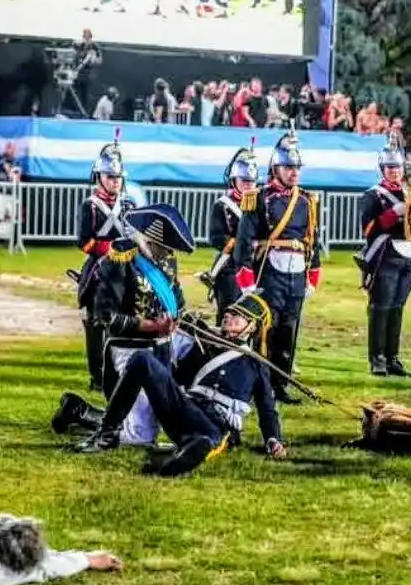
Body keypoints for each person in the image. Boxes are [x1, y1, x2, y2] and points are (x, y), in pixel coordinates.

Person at [63, 292, 288, 476]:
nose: (228, 319)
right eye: (228, 315)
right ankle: (107, 433)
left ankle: (176, 460)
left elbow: (268, 409)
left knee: (205, 438)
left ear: (252, 328)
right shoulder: (203, 344)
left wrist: (273, 440)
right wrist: (164, 336)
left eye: (237, 318)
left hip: (215, 423)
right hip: (183, 407)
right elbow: (171, 374)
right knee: (143, 360)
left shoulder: (257, 365)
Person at [91, 202, 194, 447]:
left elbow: (177, 298)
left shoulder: (168, 260)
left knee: (200, 353)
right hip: (130, 347)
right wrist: (150, 326)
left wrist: (180, 318)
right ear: (148, 239)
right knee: (140, 437)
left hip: (164, 344)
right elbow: (105, 317)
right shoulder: (121, 258)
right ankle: (84, 414)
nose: (166, 254)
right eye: (162, 247)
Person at [232, 130, 321, 404]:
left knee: (288, 331)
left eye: (297, 168)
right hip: (269, 270)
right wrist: (245, 276)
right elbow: (244, 240)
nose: (294, 173)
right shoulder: (258, 198)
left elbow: (312, 239)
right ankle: (259, 383)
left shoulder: (307, 200)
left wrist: (312, 275)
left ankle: (280, 385)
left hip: (296, 271)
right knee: (266, 329)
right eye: (288, 167)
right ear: (275, 169)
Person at [355, 133, 411, 377]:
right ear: (382, 169)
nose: (394, 171)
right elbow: (367, 229)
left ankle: (392, 357)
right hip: (386, 256)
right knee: (381, 307)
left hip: (408, 256)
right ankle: (377, 358)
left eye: (397, 167)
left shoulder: (409, 194)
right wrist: (392, 214)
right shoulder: (373, 195)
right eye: (389, 167)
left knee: (398, 308)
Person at [75, 144, 135, 391]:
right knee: (96, 324)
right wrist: (110, 249)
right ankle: (97, 375)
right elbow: (85, 242)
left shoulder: (129, 205)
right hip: (100, 268)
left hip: (126, 269)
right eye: (110, 177)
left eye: (118, 178)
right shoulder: (89, 205)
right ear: (99, 178)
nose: (115, 182)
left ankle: (120, 370)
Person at [203, 147, 258, 325]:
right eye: (244, 180)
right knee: (229, 313)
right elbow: (216, 238)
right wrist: (240, 243)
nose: (248, 184)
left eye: (251, 181)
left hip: (255, 265)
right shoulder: (223, 205)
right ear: (234, 180)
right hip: (230, 267)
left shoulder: (261, 204)